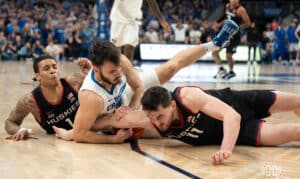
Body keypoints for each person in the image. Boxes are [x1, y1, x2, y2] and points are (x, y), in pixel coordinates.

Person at [54, 20, 240, 143]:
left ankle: (214, 43)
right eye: (112, 71)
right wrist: (112, 140)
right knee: (153, 130)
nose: (119, 72)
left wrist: (133, 106)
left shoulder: (120, 61)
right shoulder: (91, 96)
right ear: (96, 69)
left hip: (128, 98)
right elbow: (81, 134)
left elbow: (138, 86)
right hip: (110, 116)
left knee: (171, 67)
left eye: (119, 67)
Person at [140, 85, 300, 165]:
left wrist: (225, 150)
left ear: (173, 106)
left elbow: (232, 115)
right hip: (236, 132)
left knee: (297, 101)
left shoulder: (187, 97)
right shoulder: (151, 118)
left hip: (240, 103)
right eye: (152, 118)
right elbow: (115, 120)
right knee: (294, 132)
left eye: (160, 116)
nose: (156, 122)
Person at [4, 55, 89, 141]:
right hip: (58, 144)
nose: (52, 71)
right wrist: (20, 130)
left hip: (89, 129)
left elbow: (100, 86)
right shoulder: (30, 100)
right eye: (46, 69)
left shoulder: (74, 81)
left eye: (54, 67)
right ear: (37, 76)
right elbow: (10, 122)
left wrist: (90, 72)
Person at [213, 0, 251, 80]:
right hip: (226, 34)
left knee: (228, 55)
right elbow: (226, 18)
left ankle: (231, 71)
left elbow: (248, 23)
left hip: (234, 36)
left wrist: (237, 28)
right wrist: (219, 24)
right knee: (214, 52)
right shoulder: (227, 6)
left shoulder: (241, 10)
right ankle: (221, 70)